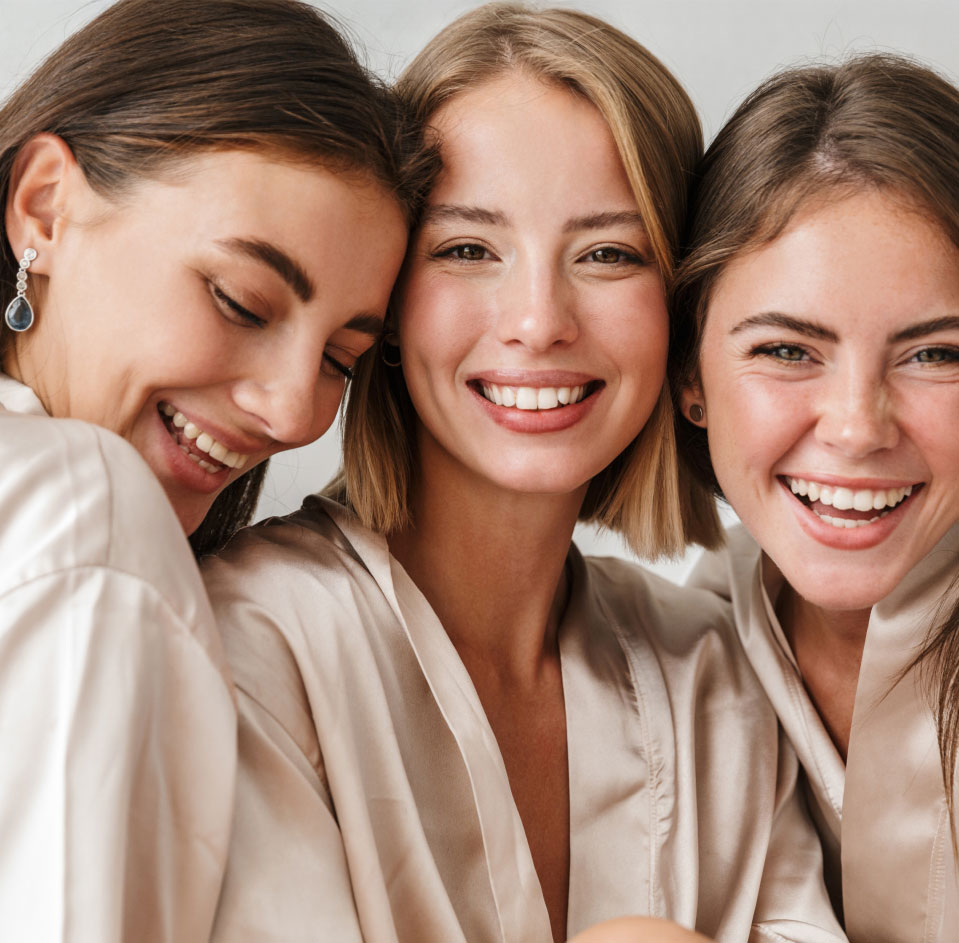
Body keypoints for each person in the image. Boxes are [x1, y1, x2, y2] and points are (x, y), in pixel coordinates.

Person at [205, 4, 844, 942]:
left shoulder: (714, 674)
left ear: (682, 316)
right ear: (386, 295)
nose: (538, 319)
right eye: (467, 249)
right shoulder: (251, 641)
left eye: (609, 253)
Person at [0, 0, 422, 938]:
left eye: (340, 360)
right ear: (45, 207)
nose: (294, 411)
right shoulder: (83, 506)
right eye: (241, 300)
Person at [673, 54, 959, 941]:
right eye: (787, 350)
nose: (855, 427)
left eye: (938, 354)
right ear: (689, 375)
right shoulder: (691, 639)